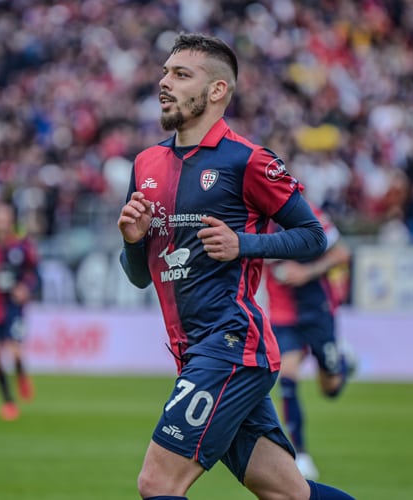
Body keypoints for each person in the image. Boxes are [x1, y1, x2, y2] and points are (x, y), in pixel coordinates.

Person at [117, 33, 355, 500]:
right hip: (194, 350)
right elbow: (141, 275)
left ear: (217, 91)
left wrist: (242, 243)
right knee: (289, 493)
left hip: (230, 345)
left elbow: (314, 236)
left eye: (181, 74)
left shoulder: (248, 160)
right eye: (165, 71)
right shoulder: (147, 163)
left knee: (158, 482)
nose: (164, 82)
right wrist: (133, 241)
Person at [263, 203, 355, 481]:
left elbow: (342, 254)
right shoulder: (248, 217)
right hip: (283, 315)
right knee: (287, 376)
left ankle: (342, 363)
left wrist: (307, 272)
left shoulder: (307, 213)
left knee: (331, 388)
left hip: (317, 312)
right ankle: (300, 453)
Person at [0, 201, 39, 421]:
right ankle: (8, 401)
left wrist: (25, 288)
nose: (1, 224)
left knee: (14, 351)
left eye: (5, 219)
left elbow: (36, 275)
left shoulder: (21, 247)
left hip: (14, 306)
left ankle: (21, 374)